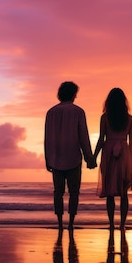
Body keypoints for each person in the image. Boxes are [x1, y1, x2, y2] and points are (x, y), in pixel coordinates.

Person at [45, 81, 96, 230]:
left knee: (58, 192)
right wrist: (89, 157)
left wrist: (48, 159)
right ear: (73, 94)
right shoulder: (78, 112)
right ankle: (71, 223)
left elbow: (47, 138)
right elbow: (83, 137)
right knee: (74, 192)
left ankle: (60, 223)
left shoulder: (51, 112)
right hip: (73, 157)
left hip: (55, 158)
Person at [93, 88, 132, 230]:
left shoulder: (105, 118)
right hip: (124, 155)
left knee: (109, 193)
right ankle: (122, 225)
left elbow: (101, 139)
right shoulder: (130, 119)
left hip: (108, 153)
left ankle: (111, 224)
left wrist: (93, 157)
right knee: (123, 193)